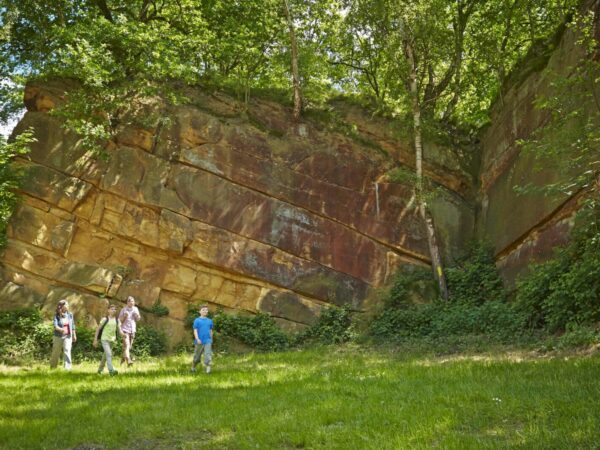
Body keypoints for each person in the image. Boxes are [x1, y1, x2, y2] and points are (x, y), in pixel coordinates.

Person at [93, 304, 123, 376]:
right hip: (104, 339)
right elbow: (98, 329)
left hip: (112, 340)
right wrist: (95, 340)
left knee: (105, 356)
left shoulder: (117, 320)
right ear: (108, 310)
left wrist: (123, 335)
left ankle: (100, 370)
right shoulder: (105, 319)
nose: (114, 310)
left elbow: (120, 330)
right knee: (109, 354)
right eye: (112, 309)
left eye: (115, 309)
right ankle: (111, 371)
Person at [50, 299, 77, 370]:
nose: (68, 306)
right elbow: (55, 326)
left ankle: (67, 368)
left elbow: (73, 325)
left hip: (68, 336)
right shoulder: (57, 315)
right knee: (56, 352)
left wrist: (74, 334)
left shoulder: (70, 314)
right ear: (62, 306)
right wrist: (61, 330)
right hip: (58, 336)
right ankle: (53, 367)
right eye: (66, 304)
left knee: (67, 350)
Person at [118, 296, 141, 366]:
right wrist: (124, 316)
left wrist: (137, 316)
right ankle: (129, 360)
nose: (132, 302)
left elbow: (138, 319)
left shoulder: (136, 309)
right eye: (130, 301)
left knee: (128, 347)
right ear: (127, 302)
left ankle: (122, 359)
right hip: (125, 330)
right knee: (127, 345)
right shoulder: (123, 310)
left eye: (133, 301)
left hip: (132, 330)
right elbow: (119, 321)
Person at [191, 305, 213, 374]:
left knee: (208, 355)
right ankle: (193, 367)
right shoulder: (197, 320)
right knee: (197, 356)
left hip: (208, 341)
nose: (205, 311)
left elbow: (211, 330)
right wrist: (197, 339)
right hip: (199, 341)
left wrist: (211, 339)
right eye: (203, 310)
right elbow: (195, 330)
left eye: (206, 310)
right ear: (200, 311)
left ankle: (208, 370)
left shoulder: (210, 321)